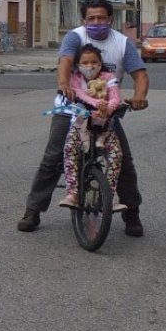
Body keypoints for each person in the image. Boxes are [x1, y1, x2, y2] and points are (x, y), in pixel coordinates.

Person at [17, 0, 149, 235]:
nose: (96, 22)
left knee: (123, 161)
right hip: (71, 109)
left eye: (101, 18)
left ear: (110, 19)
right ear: (83, 20)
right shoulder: (75, 37)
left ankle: (132, 213)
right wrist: (63, 84)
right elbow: (65, 61)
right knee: (53, 157)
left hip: (104, 112)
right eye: (91, 18)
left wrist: (139, 96)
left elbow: (140, 74)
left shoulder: (122, 43)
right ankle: (32, 211)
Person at [56, 44, 125, 211]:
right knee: (70, 148)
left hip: (104, 124)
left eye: (94, 62)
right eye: (85, 62)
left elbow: (115, 96)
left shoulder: (108, 77)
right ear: (78, 64)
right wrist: (96, 103)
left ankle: (109, 197)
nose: (90, 66)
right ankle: (72, 194)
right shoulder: (75, 78)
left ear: (100, 63)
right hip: (81, 123)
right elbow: (80, 95)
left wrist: (108, 108)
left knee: (116, 154)